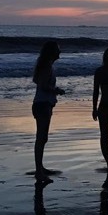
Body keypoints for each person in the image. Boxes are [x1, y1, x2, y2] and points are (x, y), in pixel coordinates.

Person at [32, 40, 64, 182]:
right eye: (58, 49)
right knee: (41, 138)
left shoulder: (45, 65)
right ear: (52, 52)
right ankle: (39, 171)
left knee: (42, 138)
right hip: (43, 104)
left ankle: (40, 168)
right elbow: (44, 85)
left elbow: (37, 81)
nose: (60, 52)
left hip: (41, 103)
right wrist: (56, 90)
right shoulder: (47, 67)